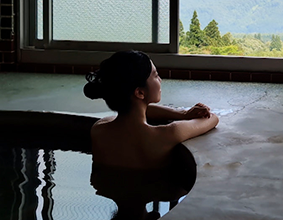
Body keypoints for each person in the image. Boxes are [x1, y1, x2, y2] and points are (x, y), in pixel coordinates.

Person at [83, 50, 219, 170]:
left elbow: (136, 110)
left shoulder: (99, 129)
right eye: (155, 75)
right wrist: (185, 116)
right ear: (140, 93)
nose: (160, 80)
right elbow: (212, 118)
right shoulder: (168, 134)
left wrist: (183, 114)